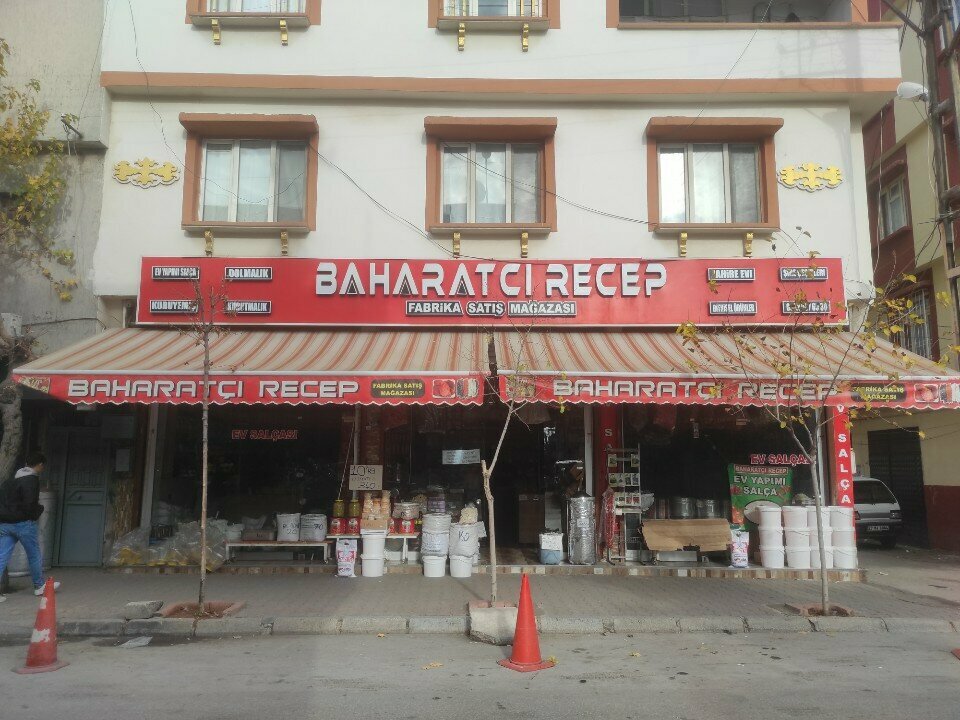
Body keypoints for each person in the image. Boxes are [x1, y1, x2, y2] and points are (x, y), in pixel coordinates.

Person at [0, 451, 61, 601]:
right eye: (42, 466)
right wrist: (37, 511)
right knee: (34, 554)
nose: (42, 469)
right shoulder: (32, 480)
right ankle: (39, 586)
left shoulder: (11, 480)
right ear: (40, 465)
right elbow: (29, 503)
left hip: (6, 523)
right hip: (23, 524)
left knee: (2, 556)